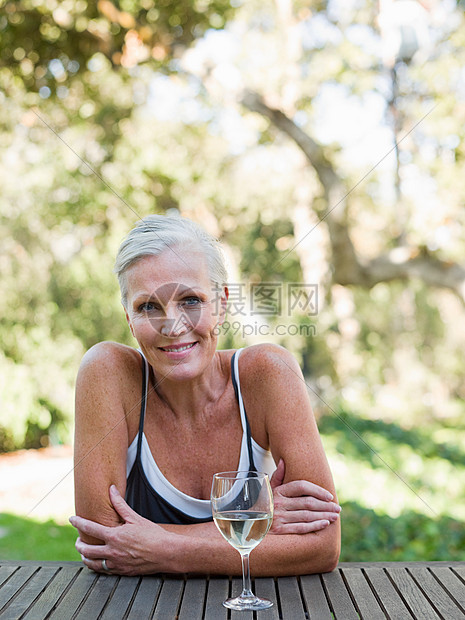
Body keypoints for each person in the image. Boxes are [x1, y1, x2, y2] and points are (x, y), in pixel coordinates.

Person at [70, 214, 341, 576]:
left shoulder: (267, 374)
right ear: (128, 318)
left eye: (191, 300)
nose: (173, 325)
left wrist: (164, 549)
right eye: (148, 306)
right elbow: (103, 543)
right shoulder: (108, 372)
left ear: (222, 304)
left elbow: (322, 546)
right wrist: (256, 522)